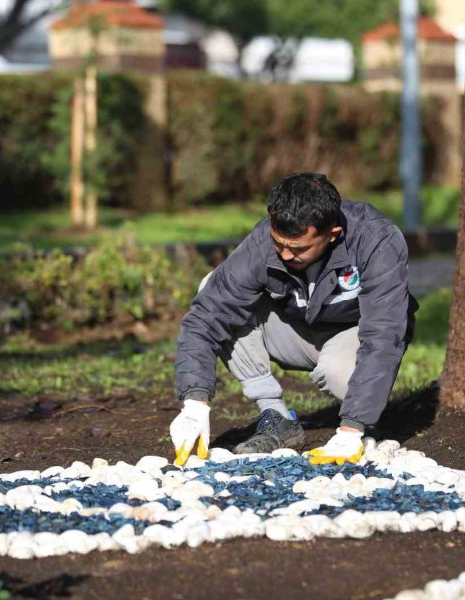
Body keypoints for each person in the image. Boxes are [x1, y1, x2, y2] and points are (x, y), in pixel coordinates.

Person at [170, 172, 417, 466]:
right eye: (279, 244)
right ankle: (275, 415)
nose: (285, 255)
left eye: (298, 248)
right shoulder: (264, 241)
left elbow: (384, 332)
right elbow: (205, 317)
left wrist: (352, 430)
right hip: (295, 331)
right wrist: (194, 401)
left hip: (353, 333)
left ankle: (364, 419)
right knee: (212, 286)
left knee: (343, 379)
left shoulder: (376, 239)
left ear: (333, 234)